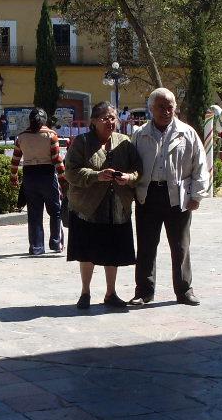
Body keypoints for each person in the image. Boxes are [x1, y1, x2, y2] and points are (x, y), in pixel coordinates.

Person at [131, 87, 210, 306]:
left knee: (180, 245)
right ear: (151, 109)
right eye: (161, 107)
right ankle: (144, 291)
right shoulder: (139, 134)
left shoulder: (188, 133)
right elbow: (132, 165)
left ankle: (184, 290)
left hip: (178, 195)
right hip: (148, 195)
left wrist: (197, 195)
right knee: (146, 245)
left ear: (175, 108)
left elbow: (200, 166)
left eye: (170, 107)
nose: (166, 111)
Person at [64, 101, 142, 310]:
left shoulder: (124, 142)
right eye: (105, 118)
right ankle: (85, 292)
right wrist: (96, 176)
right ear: (93, 121)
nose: (110, 121)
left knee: (113, 250)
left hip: (117, 206)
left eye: (113, 117)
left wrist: (128, 177)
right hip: (88, 207)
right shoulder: (81, 142)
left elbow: (138, 169)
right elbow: (70, 171)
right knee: (87, 251)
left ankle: (111, 292)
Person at [11, 108, 66, 255]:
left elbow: (15, 160)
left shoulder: (21, 137)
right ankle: (56, 243)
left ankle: (36, 247)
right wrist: (63, 180)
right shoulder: (51, 135)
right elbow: (57, 161)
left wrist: (13, 176)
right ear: (45, 120)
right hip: (47, 174)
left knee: (34, 213)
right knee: (55, 211)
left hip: (29, 176)